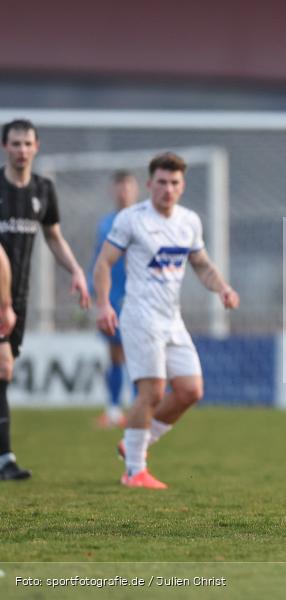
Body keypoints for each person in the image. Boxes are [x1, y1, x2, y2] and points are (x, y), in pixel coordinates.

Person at [94, 152, 239, 489]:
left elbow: (200, 264)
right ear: (149, 184)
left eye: (174, 183)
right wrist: (103, 305)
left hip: (172, 319)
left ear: (182, 185)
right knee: (153, 392)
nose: (168, 189)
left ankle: (136, 442)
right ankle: (134, 470)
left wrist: (223, 288)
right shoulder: (131, 219)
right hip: (140, 316)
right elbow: (103, 263)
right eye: (161, 182)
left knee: (190, 391)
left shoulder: (189, 221)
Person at [0, 118, 91, 482]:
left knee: (3, 375)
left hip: (17, 298)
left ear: (37, 147)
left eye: (27, 144)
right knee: (3, 369)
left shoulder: (43, 189)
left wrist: (76, 271)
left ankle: (4, 457)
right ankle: (5, 458)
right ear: (4, 147)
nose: (21, 150)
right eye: (15, 143)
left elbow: (53, 236)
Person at [89, 171, 139, 429]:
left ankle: (141, 411)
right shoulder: (105, 224)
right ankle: (113, 410)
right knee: (116, 354)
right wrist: (92, 289)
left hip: (140, 298)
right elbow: (99, 261)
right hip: (113, 297)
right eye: (119, 187)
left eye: (128, 187)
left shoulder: (144, 219)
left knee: (140, 355)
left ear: (136, 190)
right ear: (112, 190)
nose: (123, 192)